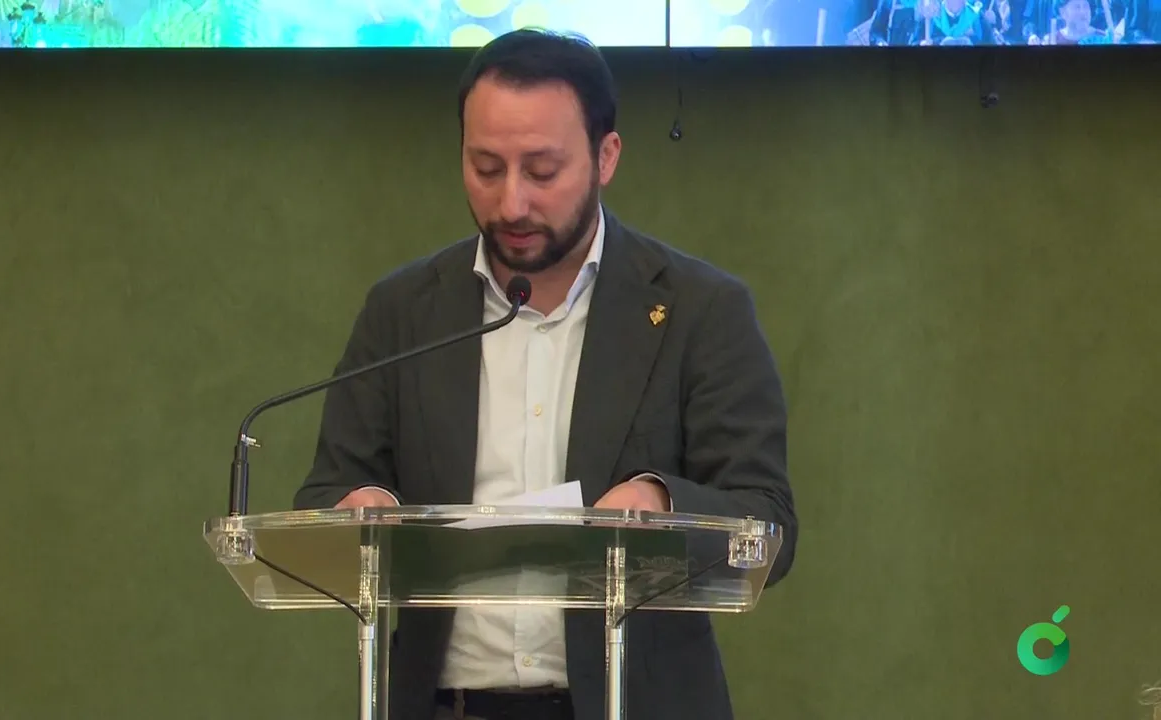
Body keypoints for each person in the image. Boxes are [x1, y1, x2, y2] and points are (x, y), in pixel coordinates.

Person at [292, 28, 798, 720]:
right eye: (486, 168)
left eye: (542, 171)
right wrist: (361, 506)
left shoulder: (699, 310)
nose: (512, 204)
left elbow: (767, 523)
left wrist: (659, 502)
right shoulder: (404, 311)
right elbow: (329, 488)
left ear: (605, 156)